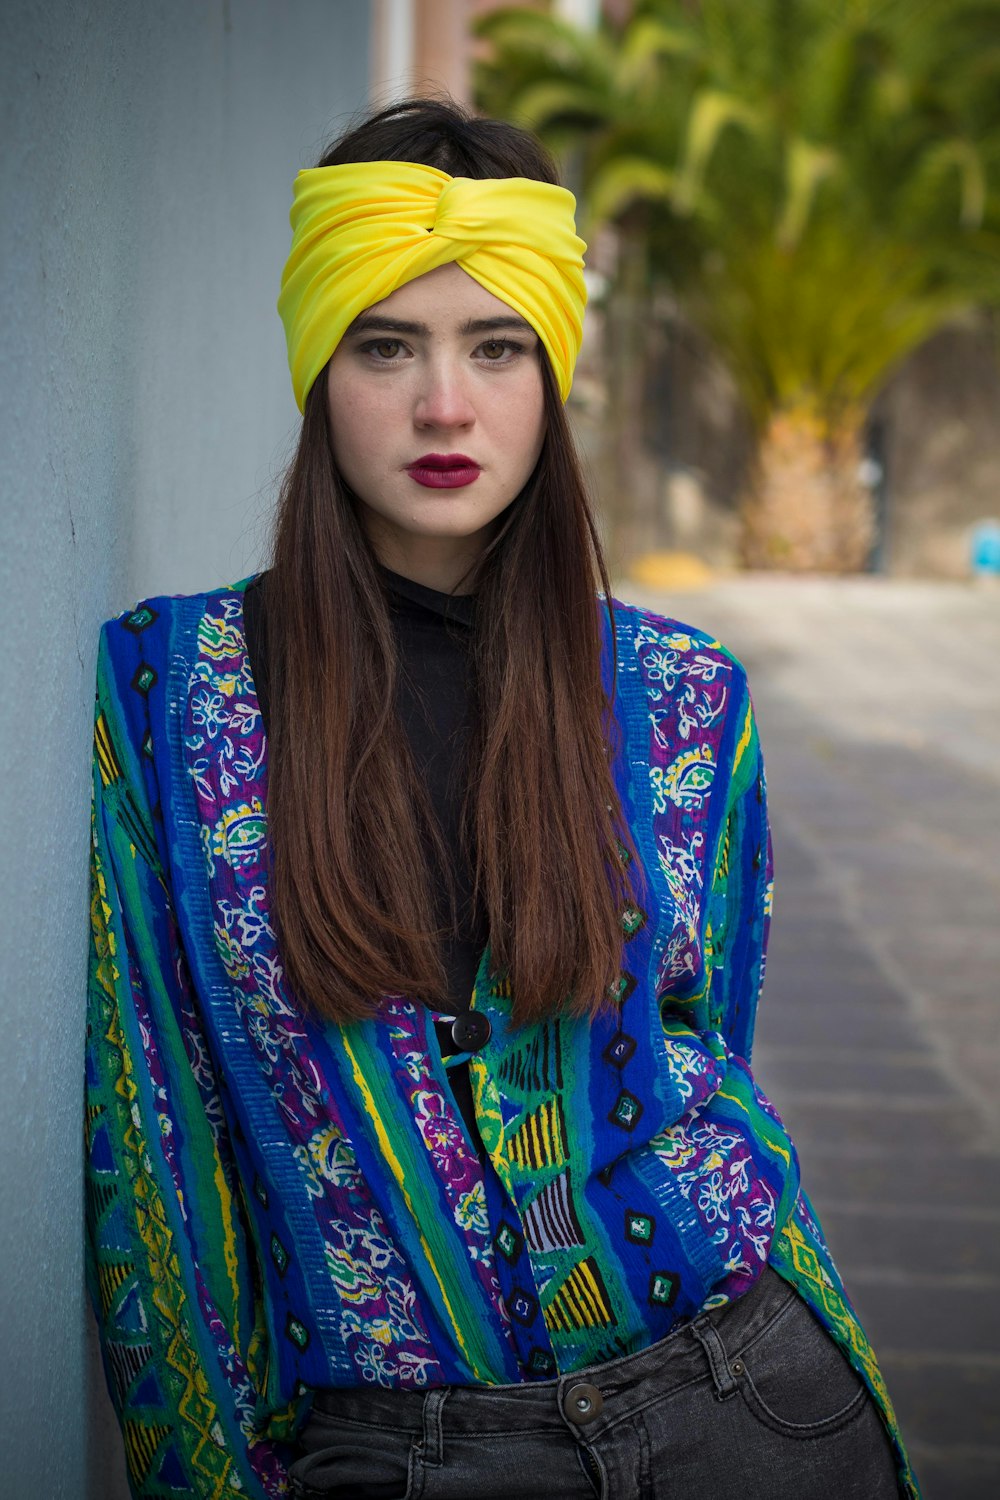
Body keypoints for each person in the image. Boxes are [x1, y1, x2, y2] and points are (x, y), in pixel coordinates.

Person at [85, 99, 919, 1500]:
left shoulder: (686, 695)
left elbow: (711, 1039)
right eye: (385, 345)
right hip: (403, 1448)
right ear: (316, 366)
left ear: (553, 376)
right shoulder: (176, 693)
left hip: (747, 1401)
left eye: (497, 347)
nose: (444, 406)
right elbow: (151, 1151)